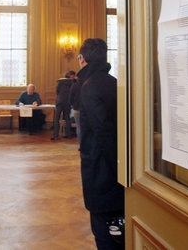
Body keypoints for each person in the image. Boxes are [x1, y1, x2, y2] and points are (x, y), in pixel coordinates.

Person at [76, 38, 124, 249]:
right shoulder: (114, 82)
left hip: (101, 166)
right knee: (117, 227)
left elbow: (102, 132)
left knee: (103, 229)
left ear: (82, 59)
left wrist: (116, 167)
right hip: (116, 162)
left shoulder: (88, 86)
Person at [52, 72, 75, 140]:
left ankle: (56, 135)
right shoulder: (72, 83)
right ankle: (68, 134)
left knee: (56, 118)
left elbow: (57, 91)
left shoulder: (60, 82)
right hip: (68, 102)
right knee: (67, 117)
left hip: (60, 101)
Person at [68, 72, 83, 146]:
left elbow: (70, 98)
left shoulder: (75, 85)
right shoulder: (87, 84)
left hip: (76, 108)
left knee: (79, 127)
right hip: (86, 108)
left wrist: (73, 105)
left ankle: (81, 145)